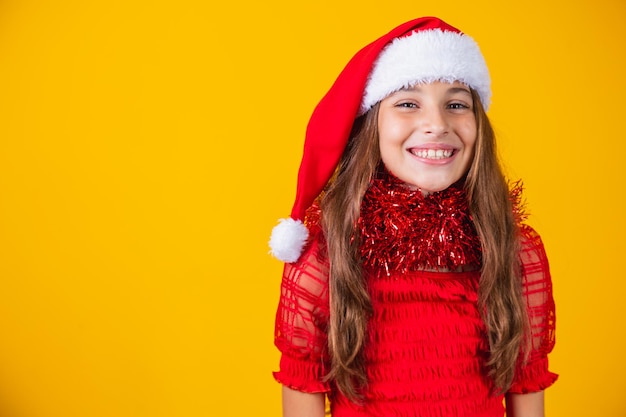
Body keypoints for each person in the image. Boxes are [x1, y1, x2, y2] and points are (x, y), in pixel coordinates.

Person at [269, 16, 557, 417]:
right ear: (372, 124)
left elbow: (526, 384)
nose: (437, 125)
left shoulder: (515, 250)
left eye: (457, 105)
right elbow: (303, 387)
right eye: (407, 103)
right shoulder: (326, 255)